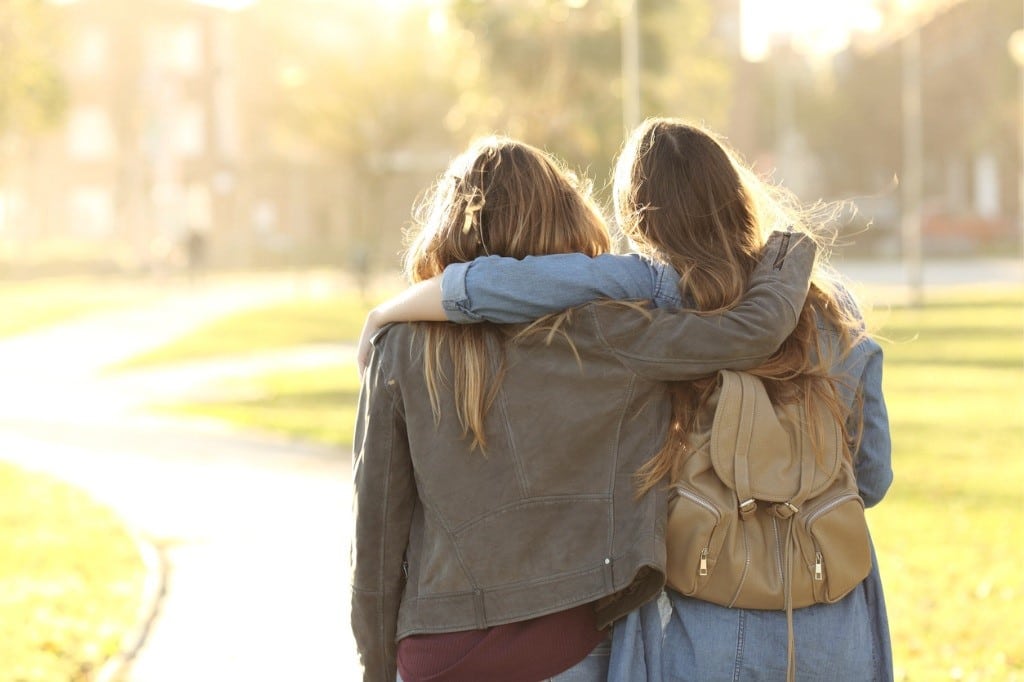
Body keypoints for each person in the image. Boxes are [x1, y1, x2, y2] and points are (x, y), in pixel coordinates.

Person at [357, 119, 893, 681]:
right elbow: (871, 478)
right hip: (831, 608)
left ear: (639, 219)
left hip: (692, 616)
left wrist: (401, 306)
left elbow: (529, 283)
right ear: (739, 196)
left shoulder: (649, 299)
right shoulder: (835, 314)